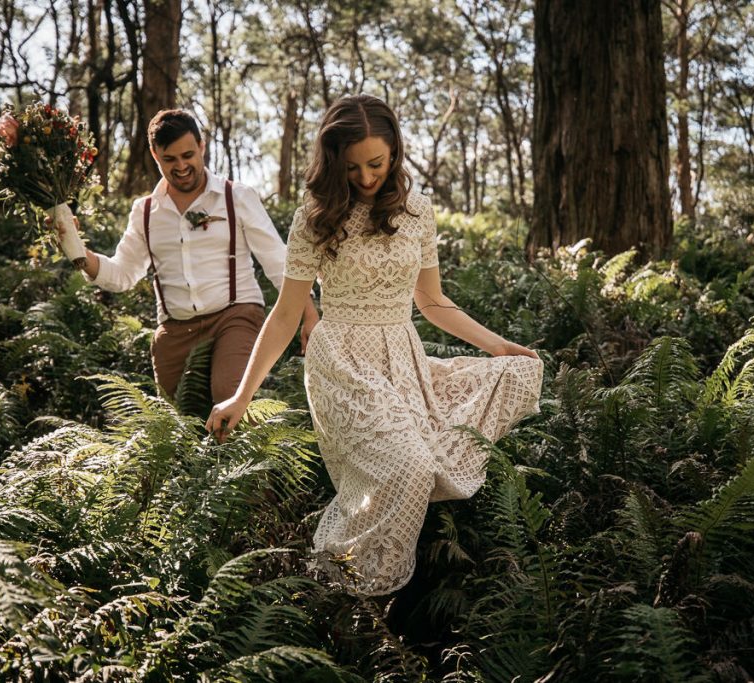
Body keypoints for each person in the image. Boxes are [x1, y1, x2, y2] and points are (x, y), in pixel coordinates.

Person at [205, 94, 544, 595]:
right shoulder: (315, 217)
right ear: (333, 161)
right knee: (405, 467)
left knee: (505, 384)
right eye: (353, 167)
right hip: (339, 360)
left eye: (377, 164)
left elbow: (432, 302)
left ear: (396, 154)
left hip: (400, 357)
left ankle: (363, 598)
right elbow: (283, 316)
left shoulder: (418, 212)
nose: (366, 177)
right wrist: (242, 396)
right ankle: (337, 585)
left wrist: (500, 347)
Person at [56, 109, 319, 403]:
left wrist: (309, 316)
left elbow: (277, 260)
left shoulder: (236, 197)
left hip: (236, 315)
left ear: (201, 147)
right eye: (170, 159)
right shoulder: (145, 212)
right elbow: (122, 274)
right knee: (180, 419)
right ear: (156, 155)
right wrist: (78, 252)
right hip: (175, 330)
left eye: (188, 155)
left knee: (229, 396)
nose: (181, 166)